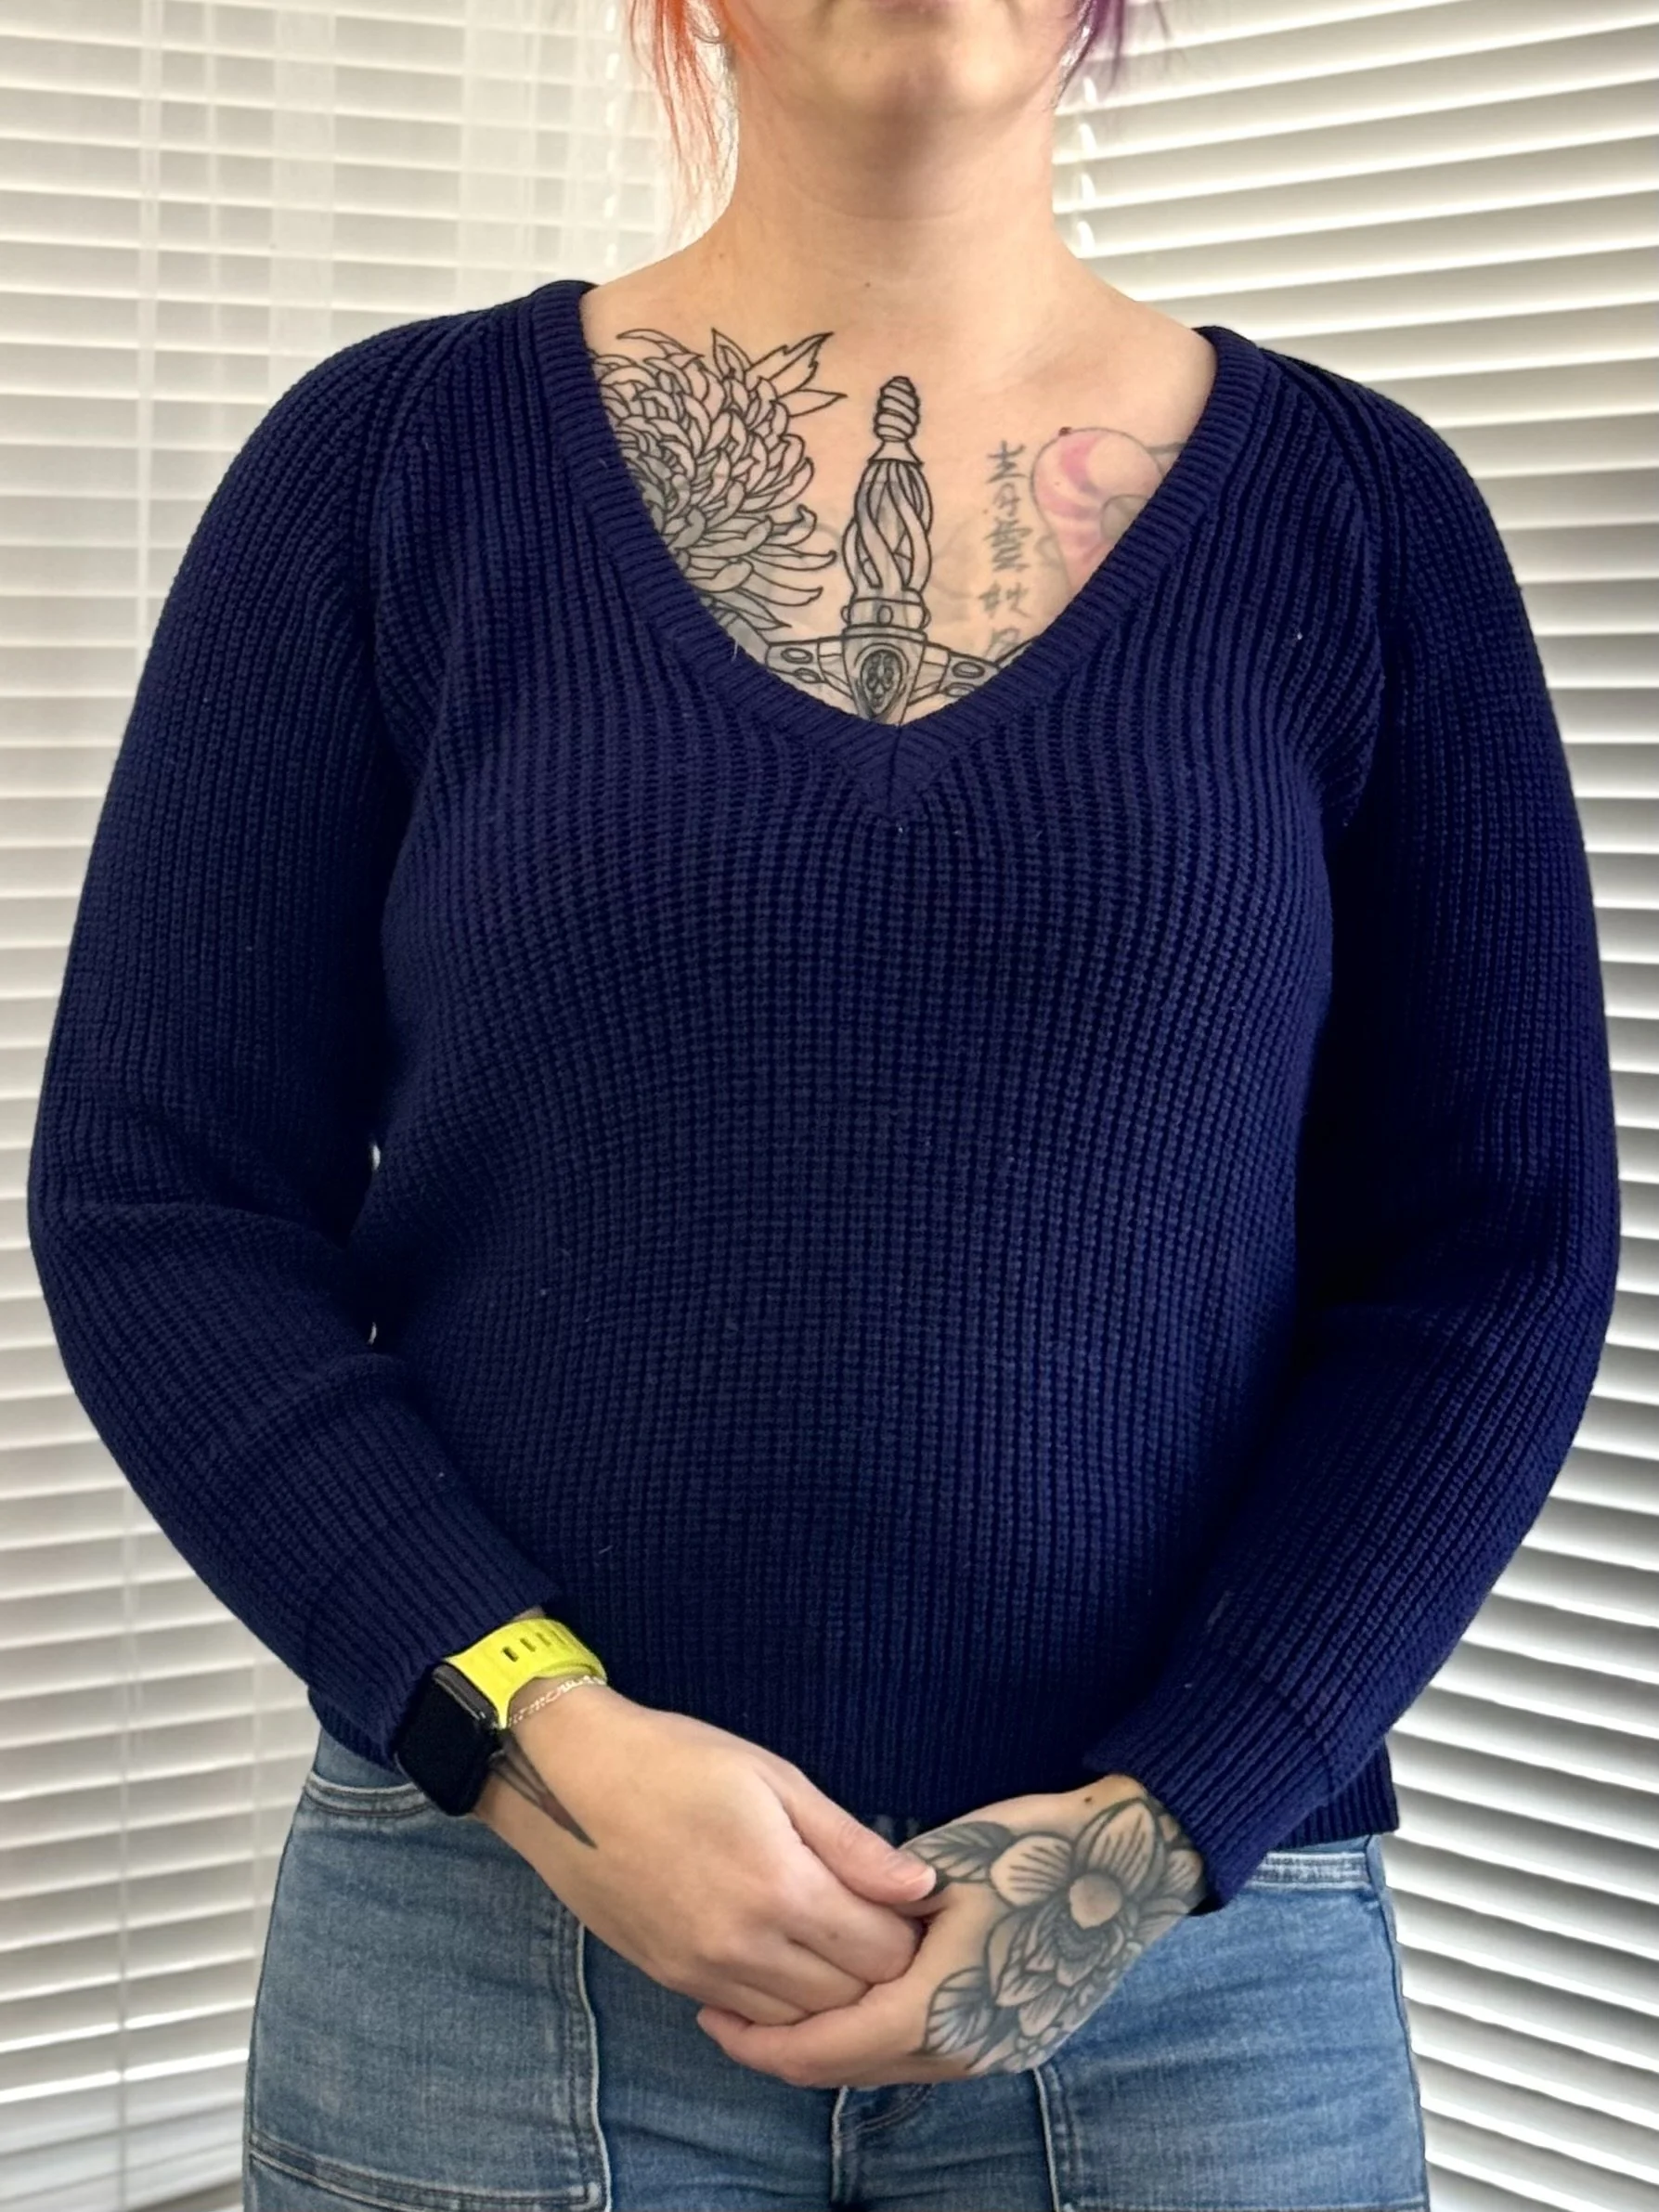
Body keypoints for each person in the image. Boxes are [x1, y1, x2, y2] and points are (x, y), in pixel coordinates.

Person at [26, 0, 1618, 2203]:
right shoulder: (389, 472)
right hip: (499, 1956)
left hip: (1193, 1980)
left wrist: (1159, 1825)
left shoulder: (1358, 523)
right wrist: (535, 1735)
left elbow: (1489, 1252)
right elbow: (161, 1195)